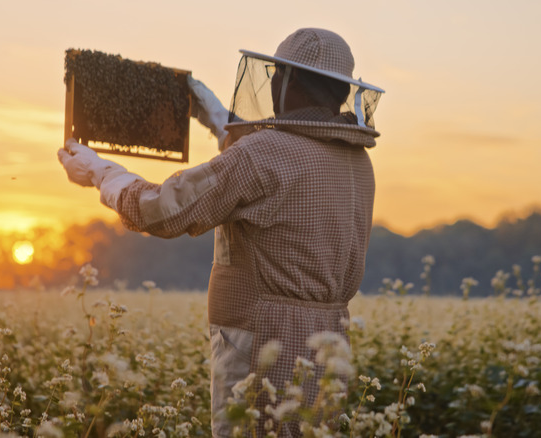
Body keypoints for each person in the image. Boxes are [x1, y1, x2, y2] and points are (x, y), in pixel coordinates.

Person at [57, 28, 383, 437]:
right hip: (329, 346)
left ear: (290, 79)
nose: (273, 83)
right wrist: (213, 113)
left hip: (262, 341)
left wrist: (101, 174)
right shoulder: (355, 162)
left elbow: (165, 211)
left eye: (277, 75)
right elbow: (267, 166)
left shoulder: (264, 154)